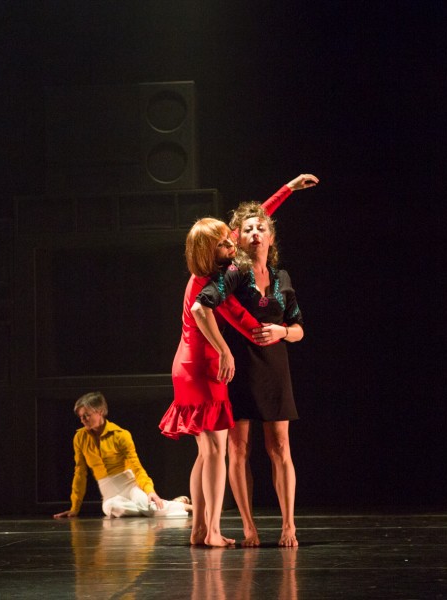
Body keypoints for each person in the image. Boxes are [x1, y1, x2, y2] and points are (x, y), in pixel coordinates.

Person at [159, 174, 317, 547]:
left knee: (209, 453)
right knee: (220, 450)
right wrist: (231, 348)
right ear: (216, 248)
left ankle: (204, 529)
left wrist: (288, 189)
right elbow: (222, 314)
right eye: (229, 239)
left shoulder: (260, 273)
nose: (237, 239)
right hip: (214, 365)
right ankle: (220, 529)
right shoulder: (220, 277)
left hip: (214, 364)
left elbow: (265, 322)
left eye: (259, 230)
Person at [193, 200, 307, 548]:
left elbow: (299, 328)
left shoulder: (281, 277)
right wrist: (222, 350)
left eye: (261, 228)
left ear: (271, 237)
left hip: (275, 367)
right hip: (239, 367)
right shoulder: (234, 274)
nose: (255, 233)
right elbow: (203, 303)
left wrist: (282, 332)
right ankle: (248, 526)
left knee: (280, 447)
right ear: (238, 238)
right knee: (238, 448)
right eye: (248, 229)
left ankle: (288, 525)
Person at [53, 391, 190, 519]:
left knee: (146, 504)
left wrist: (150, 491)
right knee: (115, 508)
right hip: (109, 494)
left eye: (86, 415)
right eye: (80, 417)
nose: (82, 420)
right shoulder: (80, 438)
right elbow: (80, 473)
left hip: (130, 486)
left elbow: (137, 467)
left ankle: (189, 507)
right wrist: (75, 508)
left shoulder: (120, 435)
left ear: (100, 411)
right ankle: (172, 504)